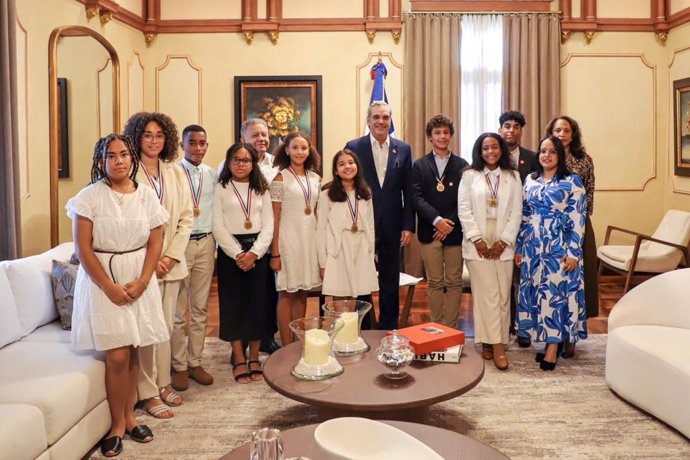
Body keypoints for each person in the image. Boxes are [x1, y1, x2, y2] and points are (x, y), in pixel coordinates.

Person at [68, 134, 169, 457]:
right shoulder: (89, 198)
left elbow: (155, 241)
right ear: (101, 161)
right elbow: (82, 248)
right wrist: (110, 287)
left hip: (139, 276)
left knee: (135, 349)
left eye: (124, 154)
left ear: (132, 158)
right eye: (111, 156)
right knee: (117, 355)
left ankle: (130, 417)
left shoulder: (147, 196)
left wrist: (142, 280)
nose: (119, 160)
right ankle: (116, 425)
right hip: (102, 280)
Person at [124, 112, 193, 418]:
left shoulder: (175, 172)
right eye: (147, 135)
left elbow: (187, 216)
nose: (153, 141)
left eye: (159, 135)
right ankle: (146, 391)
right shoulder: (128, 170)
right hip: (140, 265)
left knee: (165, 327)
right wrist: (152, 261)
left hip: (171, 263)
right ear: (137, 138)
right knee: (146, 330)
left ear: (167, 139)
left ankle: (163, 383)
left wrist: (171, 255)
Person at [515, 135, 587, 371]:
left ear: (560, 155)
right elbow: (524, 215)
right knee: (537, 294)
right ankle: (545, 341)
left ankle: (554, 347)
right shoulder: (530, 180)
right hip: (533, 246)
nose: (546, 155)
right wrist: (519, 247)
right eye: (543, 151)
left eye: (552, 151)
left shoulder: (572, 181)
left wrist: (573, 252)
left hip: (559, 245)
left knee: (555, 295)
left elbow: (579, 218)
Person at [344, 101, 415, 330]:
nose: (380, 122)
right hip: (362, 223)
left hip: (393, 224)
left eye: (385, 117)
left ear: (390, 120)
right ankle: (363, 329)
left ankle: (388, 328)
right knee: (362, 277)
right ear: (368, 120)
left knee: (389, 278)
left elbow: (409, 190)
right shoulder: (354, 147)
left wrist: (408, 225)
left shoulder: (403, 149)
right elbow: (347, 185)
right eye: (376, 117)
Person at [458, 133, 522, 370]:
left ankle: (491, 339)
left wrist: (504, 241)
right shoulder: (469, 176)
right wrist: (478, 240)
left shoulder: (513, 176)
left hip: (504, 241)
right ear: (479, 151)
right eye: (485, 148)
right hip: (478, 243)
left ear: (502, 150)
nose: (490, 152)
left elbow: (517, 211)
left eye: (495, 147)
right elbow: (464, 210)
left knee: (503, 296)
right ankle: (496, 346)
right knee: (487, 297)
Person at [213, 143, 273, 384]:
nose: (241, 164)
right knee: (233, 307)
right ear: (228, 162)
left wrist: (254, 253)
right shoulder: (221, 188)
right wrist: (239, 254)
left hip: (258, 252)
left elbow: (269, 224)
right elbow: (217, 225)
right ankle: (239, 358)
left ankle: (255, 358)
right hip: (231, 255)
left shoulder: (261, 188)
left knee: (258, 307)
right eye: (236, 160)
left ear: (253, 163)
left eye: (246, 160)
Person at [545, 115, 598, 358]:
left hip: (577, 228)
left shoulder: (584, 161)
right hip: (549, 233)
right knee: (553, 285)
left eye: (566, 130)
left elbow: (588, 195)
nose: (562, 134)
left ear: (573, 134)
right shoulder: (545, 157)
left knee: (575, 283)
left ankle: (571, 335)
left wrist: (577, 231)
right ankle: (552, 334)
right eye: (557, 130)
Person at [411, 115, 468, 328]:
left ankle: (450, 327)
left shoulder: (463, 165)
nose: (442, 136)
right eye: (437, 133)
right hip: (429, 232)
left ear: (451, 135)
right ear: (429, 137)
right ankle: (437, 326)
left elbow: (464, 200)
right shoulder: (419, 165)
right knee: (434, 282)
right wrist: (436, 221)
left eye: (446, 132)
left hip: (454, 232)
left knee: (454, 282)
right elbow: (416, 198)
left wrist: (448, 224)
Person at [170, 125, 215, 392]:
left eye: (202, 143)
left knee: (199, 308)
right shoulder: (173, 173)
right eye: (192, 143)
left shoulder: (212, 174)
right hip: (181, 243)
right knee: (178, 310)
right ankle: (179, 366)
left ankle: (195, 361)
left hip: (206, 242)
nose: (198, 148)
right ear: (182, 145)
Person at [269, 131, 322, 345]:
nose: (300, 152)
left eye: (304, 148)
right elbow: (274, 216)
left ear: (309, 151)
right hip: (287, 240)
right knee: (286, 293)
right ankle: (286, 344)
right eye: (295, 147)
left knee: (302, 291)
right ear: (287, 150)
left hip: (309, 240)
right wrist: (275, 252)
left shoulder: (316, 178)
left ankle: (299, 340)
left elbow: (317, 211)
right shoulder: (280, 177)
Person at [498, 110, 538, 348]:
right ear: (500, 129)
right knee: (504, 279)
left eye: (515, 126)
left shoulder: (533, 158)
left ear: (522, 131)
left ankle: (524, 327)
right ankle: (506, 325)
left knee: (524, 280)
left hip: (528, 227)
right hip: (500, 226)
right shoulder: (492, 154)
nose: (511, 130)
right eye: (506, 126)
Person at [317, 149, 378, 300]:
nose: (347, 167)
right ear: (336, 171)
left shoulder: (366, 193)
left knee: (358, 298)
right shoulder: (327, 194)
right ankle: (340, 324)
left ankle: (354, 325)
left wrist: (371, 252)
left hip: (361, 248)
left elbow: (370, 225)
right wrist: (322, 262)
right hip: (339, 249)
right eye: (341, 164)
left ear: (357, 166)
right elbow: (321, 230)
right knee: (340, 299)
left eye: (351, 163)